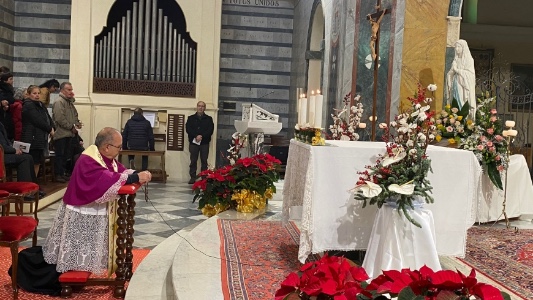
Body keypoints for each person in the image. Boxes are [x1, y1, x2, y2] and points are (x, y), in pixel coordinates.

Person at [43, 127, 151, 273]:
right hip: (82, 210)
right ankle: (74, 269)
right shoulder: (88, 159)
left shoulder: (105, 158)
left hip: (93, 208)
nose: (120, 149)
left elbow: (120, 171)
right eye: (119, 147)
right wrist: (136, 177)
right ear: (107, 147)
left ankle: (86, 265)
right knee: (79, 246)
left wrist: (138, 174)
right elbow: (104, 179)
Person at [0, 122, 45, 198]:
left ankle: (33, 188)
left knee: (29, 157)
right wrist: (14, 150)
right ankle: (26, 192)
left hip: (6, 152)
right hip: (2, 156)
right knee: (24, 159)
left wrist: (16, 147)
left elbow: (6, 141)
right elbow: (2, 146)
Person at [21, 85, 55, 180]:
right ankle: (29, 183)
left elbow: (48, 118)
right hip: (31, 138)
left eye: (38, 93)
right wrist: (49, 129)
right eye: (34, 93)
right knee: (32, 162)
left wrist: (52, 127)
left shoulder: (40, 105)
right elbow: (37, 120)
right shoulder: (28, 105)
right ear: (28, 94)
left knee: (37, 162)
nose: (37, 95)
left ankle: (34, 183)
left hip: (40, 138)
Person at [52, 82, 82, 182]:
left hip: (69, 133)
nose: (71, 92)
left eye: (71, 90)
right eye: (69, 90)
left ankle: (63, 173)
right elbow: (60, 118)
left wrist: (77, 123)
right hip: (61, 134)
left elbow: (73, 116)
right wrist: (71, 127)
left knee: (66, 155)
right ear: (62, 90)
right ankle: (58, 174)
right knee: (60, 155)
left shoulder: (69, 102)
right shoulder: (59, 102)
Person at [446, 39, 476, 118]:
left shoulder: (469, 60)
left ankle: (464, 119)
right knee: (454, 100)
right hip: (455, 83)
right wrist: (451, 73)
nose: (456, 49)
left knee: (462, 101)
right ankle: (455, 119)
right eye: (456, 47)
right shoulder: (455, 60)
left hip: (463, 86)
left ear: (463, 48)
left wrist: (457, 70)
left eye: (459, 47)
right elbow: (450, 73)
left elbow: (471, 75)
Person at [185, 101, 214, 184]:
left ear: (204, 108)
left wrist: (201, 136)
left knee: (204, 161)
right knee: (193, 160)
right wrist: (196, 136)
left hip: (204, 142)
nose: (200, 107)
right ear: (197, 107)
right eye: (199, 106)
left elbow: (210, 130)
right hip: (194, 142)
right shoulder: (191, 118)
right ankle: (192, 177)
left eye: (202, 106)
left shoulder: (209, 119)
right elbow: (188, 129)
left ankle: (204, 177)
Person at [0, 72, 15, 140]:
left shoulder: (9, 89)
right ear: (5, 80)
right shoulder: (4, 90)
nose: (12, 81)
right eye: (10, 79)